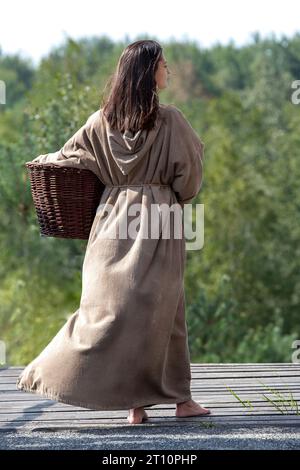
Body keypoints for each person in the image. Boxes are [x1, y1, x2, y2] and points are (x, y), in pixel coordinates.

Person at [16, 39, 211, 425]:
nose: (167, 70)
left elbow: (65, 159)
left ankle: (142, 405)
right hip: (159, 221)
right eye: (163, 65)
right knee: (165, 310)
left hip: (111, 223)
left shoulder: (99, 121)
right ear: (148, 73)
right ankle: (178, 400)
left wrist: (42, 160)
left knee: (107, 310)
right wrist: (169, 194)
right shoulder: (171, 120)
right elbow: (189, 178)